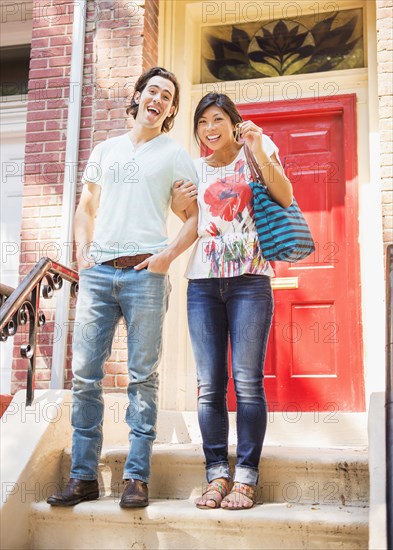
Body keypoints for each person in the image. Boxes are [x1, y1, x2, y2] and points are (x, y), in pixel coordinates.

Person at [47, 67, 198, 508]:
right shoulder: (105, 149)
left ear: (169, 111)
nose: (159, 99)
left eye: (167, 97)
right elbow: (87, 206)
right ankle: (83, 477)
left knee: (142, 378)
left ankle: (136, 477)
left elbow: (192, 217)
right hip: (98, 275)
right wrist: (82, 252)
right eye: (152, 90)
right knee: (85, 378)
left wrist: (167, 257)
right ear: (137, 96)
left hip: (145, 277)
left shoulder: (173, 154)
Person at [174, 93, 293, 510]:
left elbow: (284, 196)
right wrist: (177, 204)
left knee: (247, 382)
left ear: (233, 122)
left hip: (250, 280)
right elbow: (191, 220)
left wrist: (260, 148)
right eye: (203, 121)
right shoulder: (190, 167)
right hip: (203, 283)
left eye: (218, 118)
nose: (210, 128)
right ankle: (215, 475)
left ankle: (245, 477)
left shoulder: (257, 149)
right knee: (209, 386)